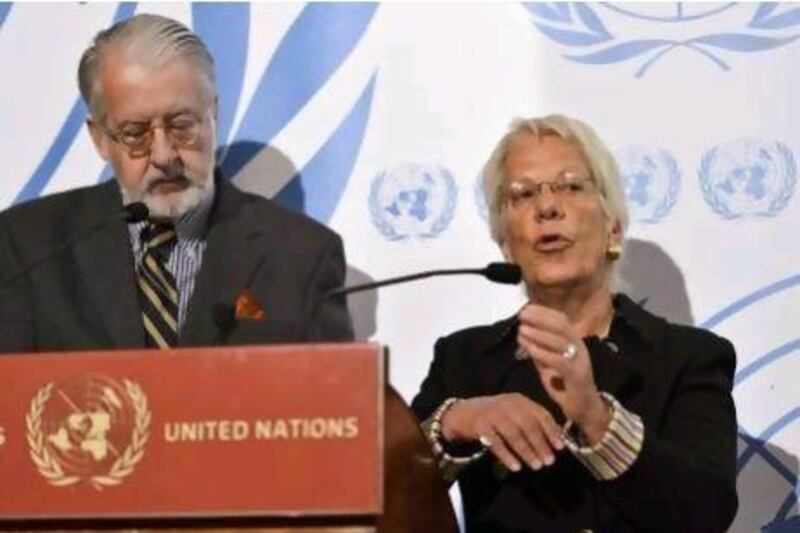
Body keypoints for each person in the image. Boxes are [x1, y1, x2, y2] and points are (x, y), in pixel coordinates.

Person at [412, 115, 738, 532]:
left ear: (613, 229)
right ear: (505, 244)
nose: (547, 207)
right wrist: (454, 423)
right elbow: (384, 495)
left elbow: (706, 514)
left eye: (569, 186)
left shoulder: (688, 357)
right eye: (523, 194)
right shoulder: (463, 360)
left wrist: (595, 416)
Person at [0, 14, 353, 352]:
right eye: (135, 133)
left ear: (213, 115)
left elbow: (334, 406)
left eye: (182, 124)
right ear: (100, 139)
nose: (165, 155)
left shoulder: (302, 256)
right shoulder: (31, 248)